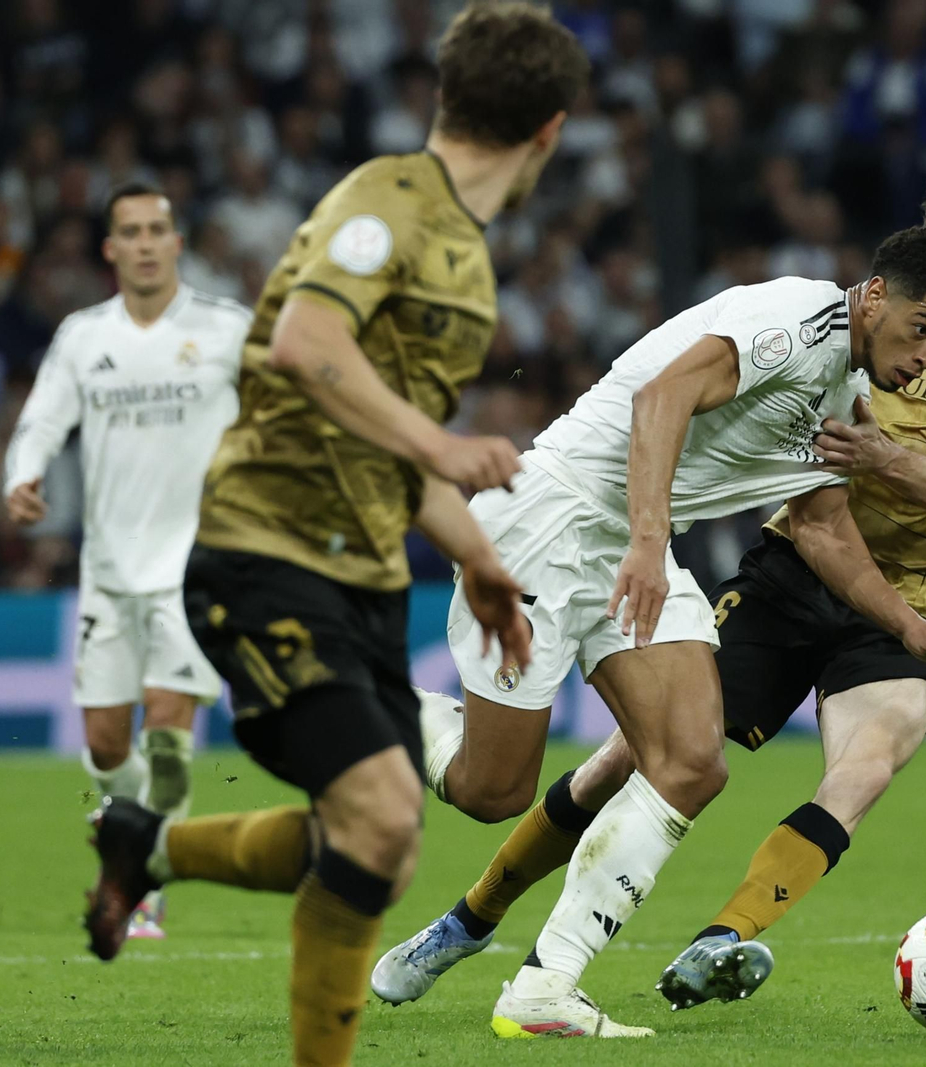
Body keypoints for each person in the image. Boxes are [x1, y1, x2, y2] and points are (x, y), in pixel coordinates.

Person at [376, 153, 926, 1015]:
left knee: (692, 761)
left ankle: (545, 986)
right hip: (551, 525)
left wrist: (912, 628)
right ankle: (388, 707)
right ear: (878, 296)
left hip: (639, 545)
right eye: (921, 332)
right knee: (490, 790)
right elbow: (662, 398)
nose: (925, 358)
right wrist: (651, 541)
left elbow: (821, 522)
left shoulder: (850, 386)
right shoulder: (794, 320)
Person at [78, 6, 587, 1066]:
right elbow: (308, 344)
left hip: (362, 574)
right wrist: (446, 453)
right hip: (264, 549)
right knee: (384, 816)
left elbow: (380, 437)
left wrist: (480, 558)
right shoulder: (386, 201)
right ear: (550, 129)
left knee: (375, 847)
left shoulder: (467, 257)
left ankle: (151, 844)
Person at [3, 181, 251, 940]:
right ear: (110, 249)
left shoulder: (226, 328)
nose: (145, 243)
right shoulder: (84, 335)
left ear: (177, 243)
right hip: (109, 572)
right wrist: (23, 473)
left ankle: (143, 877)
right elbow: (42, 418)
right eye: (129, 232)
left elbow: (289, 401)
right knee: (108, 742)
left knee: (168, 728)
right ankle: (132, 835)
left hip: (197, 567)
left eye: (157, 230)